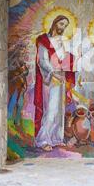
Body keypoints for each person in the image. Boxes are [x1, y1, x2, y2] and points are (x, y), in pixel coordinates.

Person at [34, 15, 75, 151]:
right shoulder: (43, 40)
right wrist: (54, 72)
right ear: (55, 23)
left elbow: (65, 58)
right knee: (50, 109)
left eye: (65, 25)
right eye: (61, 24)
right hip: (50, 78)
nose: (63, 27)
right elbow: (42, 61)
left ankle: (56, 138)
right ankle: (43, 140)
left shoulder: (62, 41)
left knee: (60, 110)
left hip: (61, 78)